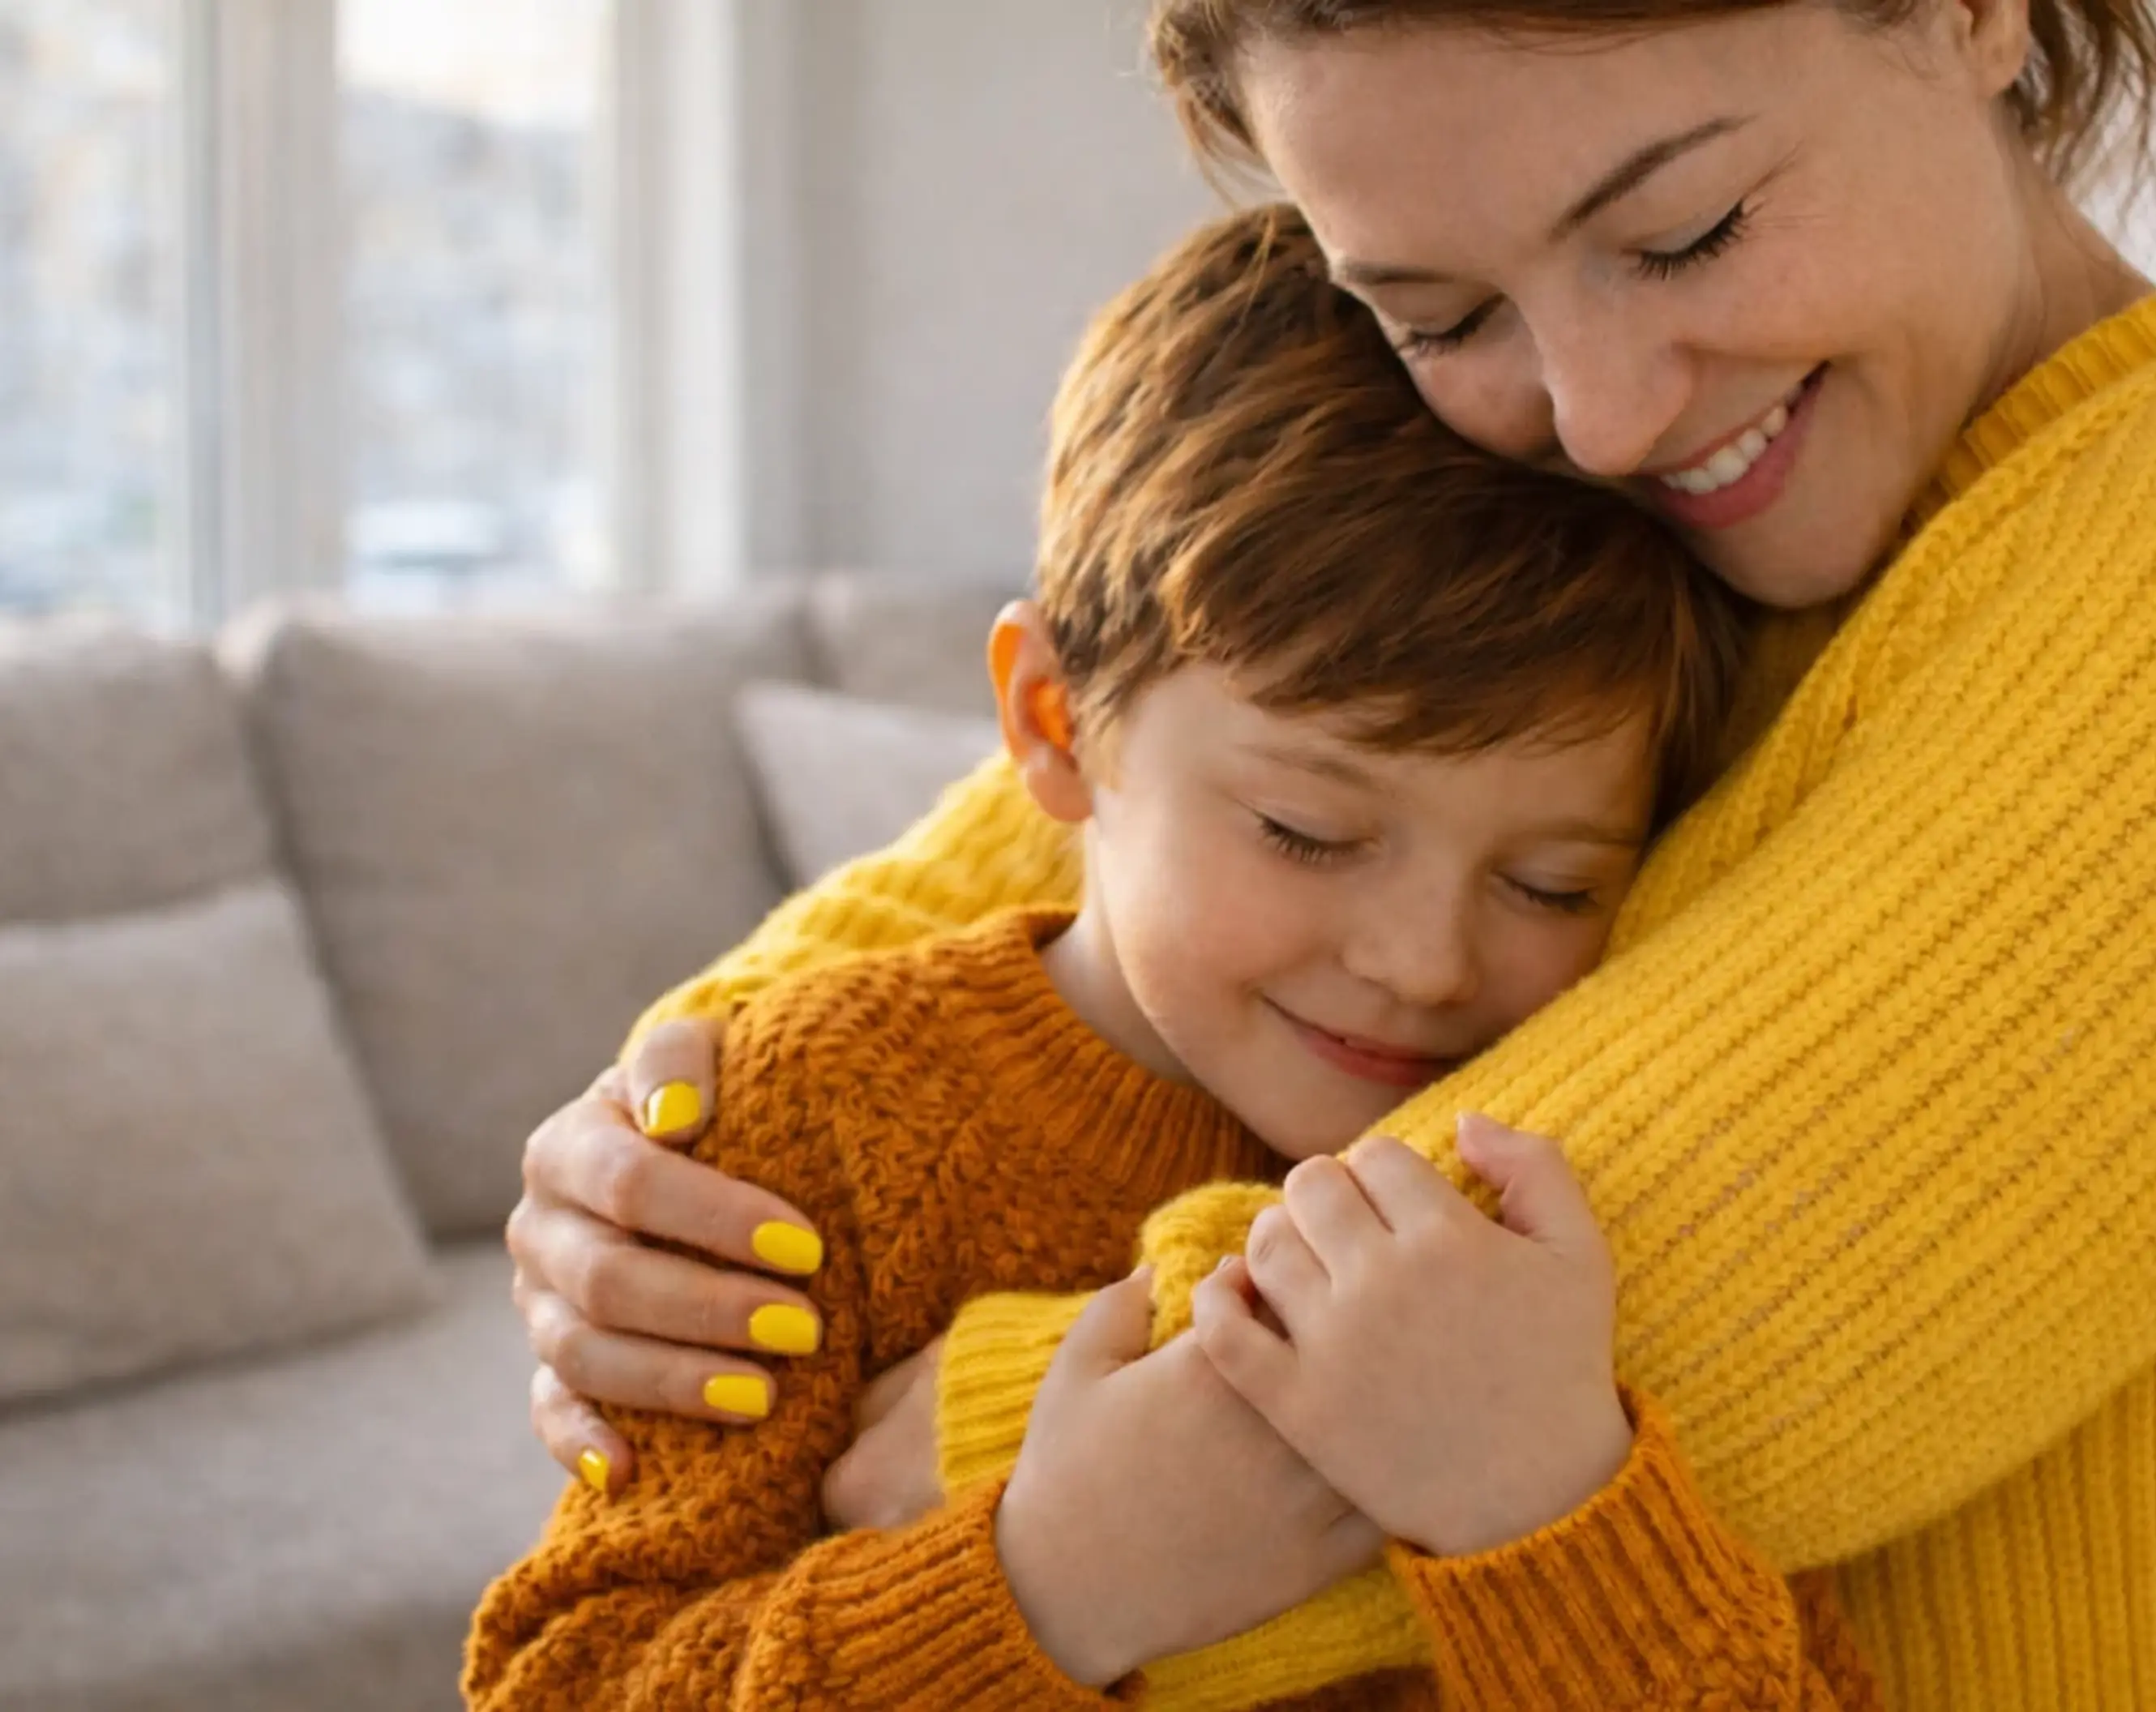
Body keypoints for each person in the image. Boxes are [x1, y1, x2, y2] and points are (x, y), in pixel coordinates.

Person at [506, 2, 2156, 1706]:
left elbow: (1706, 1344)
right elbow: (1052, 869)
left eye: (1682, 231)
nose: (1593, 407)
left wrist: (972, 1436)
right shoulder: (1619, 507)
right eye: (1440, 309)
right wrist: (668, 1159)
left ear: (1966, 15)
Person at [468, 204, 1873, 1708]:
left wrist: (1552, 1515)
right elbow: (567, 1685)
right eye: (1308, 833)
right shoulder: (804, 1133)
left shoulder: (1581, 1168)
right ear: (1054, 724)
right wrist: (1053, 1585)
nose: (1423, 964)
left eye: (1549, 882)